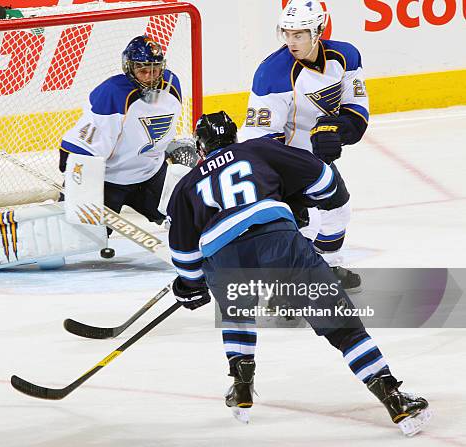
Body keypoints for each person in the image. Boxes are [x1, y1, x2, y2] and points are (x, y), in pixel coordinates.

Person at [166, 111, 430, 435]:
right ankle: (394, 397)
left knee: (237, 311)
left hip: (223, 256)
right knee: (342, 326)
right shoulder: (256, 149)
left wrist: (191, 284)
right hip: (277, 240)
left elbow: (183, 252)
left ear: (201, 147)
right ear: (233, 137)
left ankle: (241, 387)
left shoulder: (187, 184)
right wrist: (313, 198)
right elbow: (322, 176)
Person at [239, 0, 369, 290]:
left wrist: (335, 131)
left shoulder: (346, 57)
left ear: (318, 31)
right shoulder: (271, 74)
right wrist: (283, 179)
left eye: (299, 34)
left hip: (314, 160)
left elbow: (357, 112)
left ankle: (328, 267)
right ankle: (286, 289)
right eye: (286, 33)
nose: (291, 41)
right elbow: (260, 139)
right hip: (278, 162)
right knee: (304, 223)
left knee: (338, 210)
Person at [60, 35, 189, 234]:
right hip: (109, 180)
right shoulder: (113, 93)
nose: (150, 76)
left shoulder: (172, 85)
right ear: (129, 68)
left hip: (151, 174)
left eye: (155, 70)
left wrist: (171, 148)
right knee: (80, 235)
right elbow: (83, 145)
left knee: (189, 215)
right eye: (143, 70)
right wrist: (77, 178)